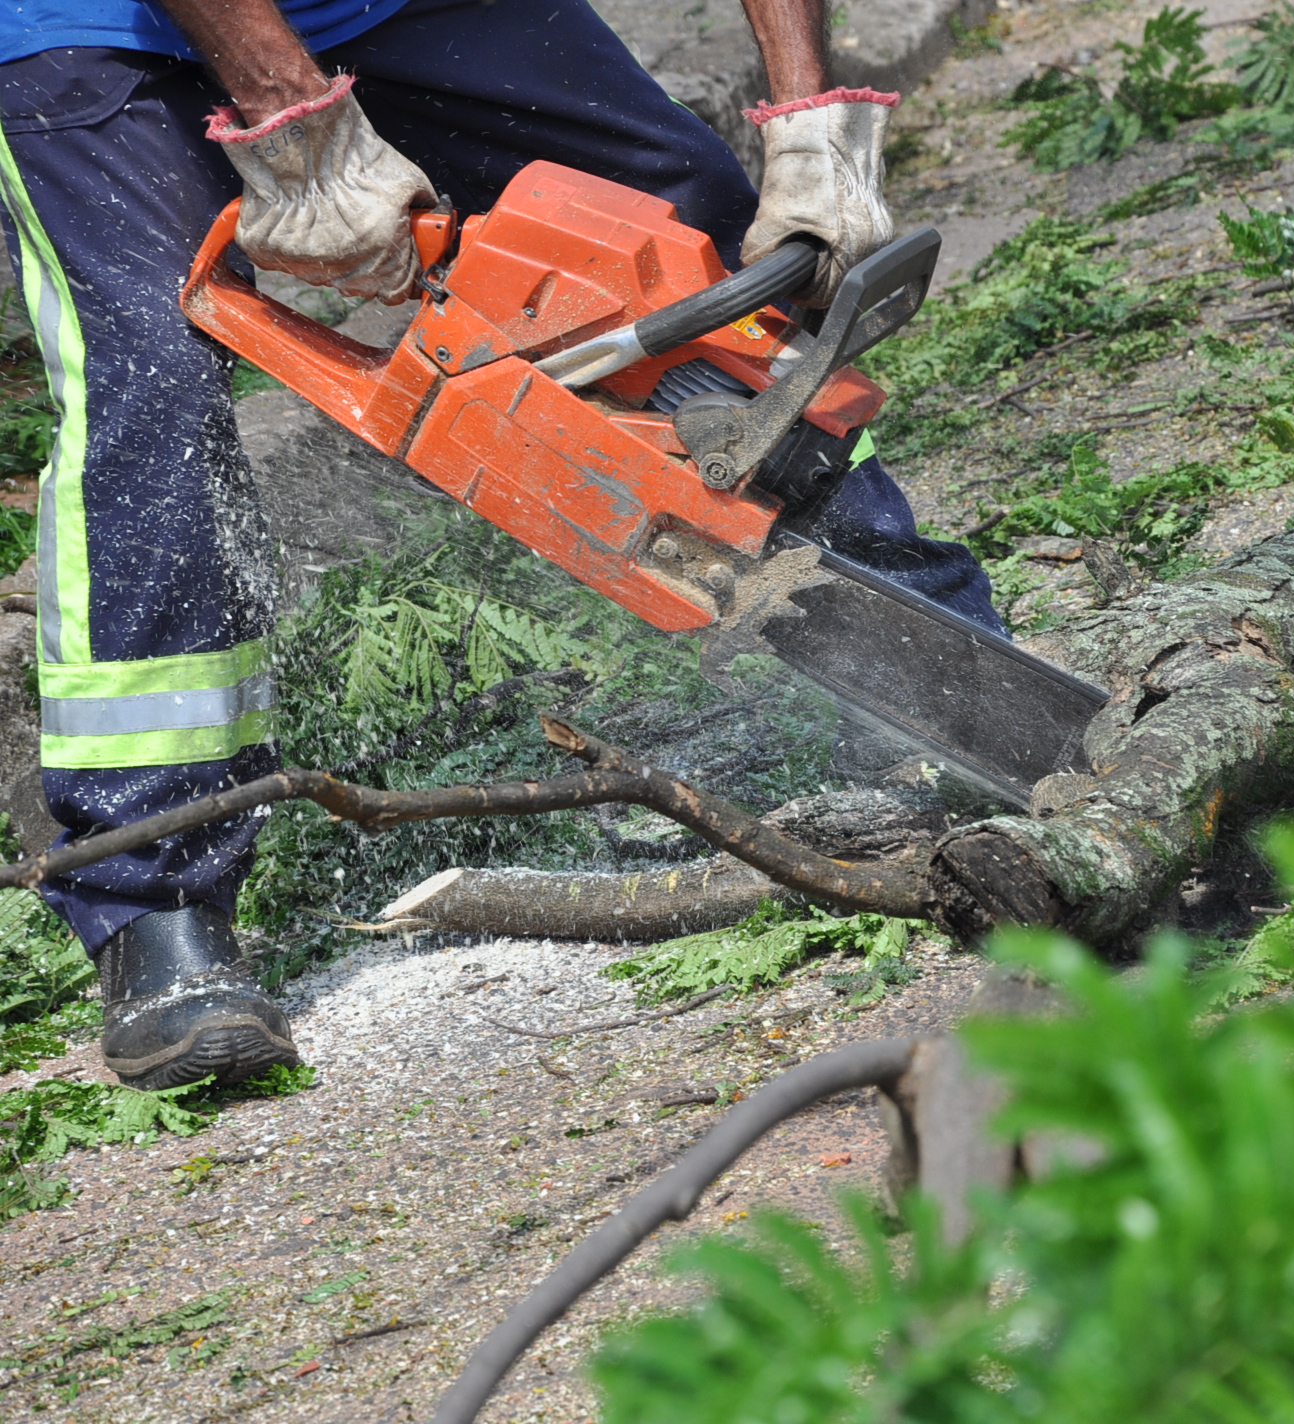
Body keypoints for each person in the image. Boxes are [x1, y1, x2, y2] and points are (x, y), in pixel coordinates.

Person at [0, 0, 996, 1091]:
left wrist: (813, 120)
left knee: (682, 231)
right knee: (153, 379)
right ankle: (156, 894)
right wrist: (296, 119)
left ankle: (943, 674)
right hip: (91, 33)